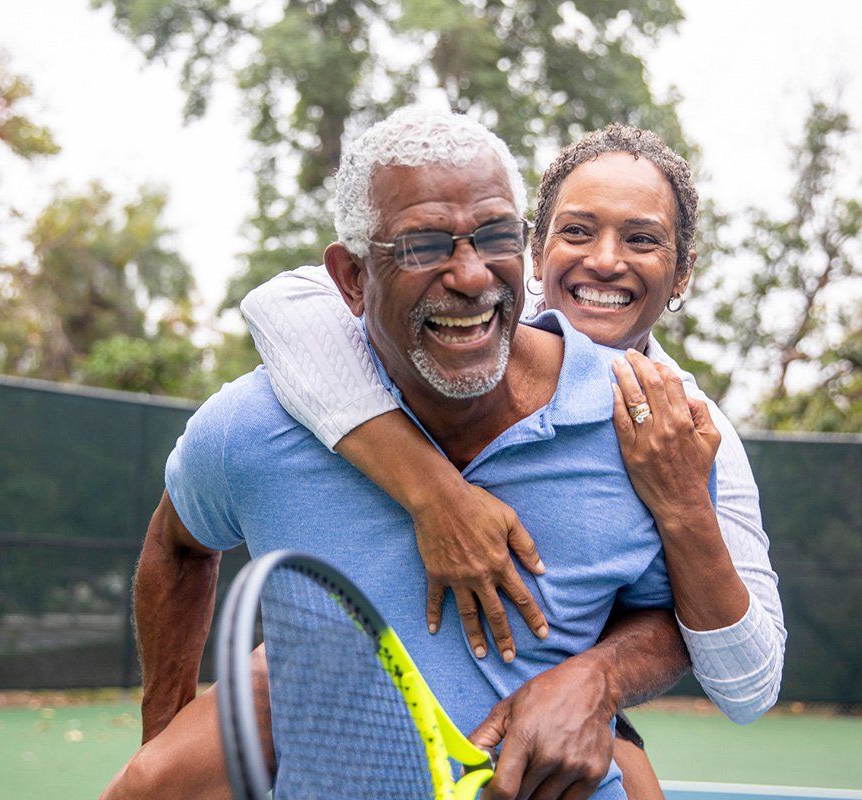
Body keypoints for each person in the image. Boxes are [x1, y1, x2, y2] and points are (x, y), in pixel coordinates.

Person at [104, 107, 701, 800]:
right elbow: (176, 544)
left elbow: (677, 616)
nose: (473, 276)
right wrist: (165, 732)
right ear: (352, 279)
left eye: (496, 236)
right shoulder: (251, 428)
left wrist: (596, 681)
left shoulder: (647, 427)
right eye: (423, 246)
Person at [238, 123, 787, 784]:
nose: (606, 260)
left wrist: (678, 506)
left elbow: (748, 685)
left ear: (683, 271)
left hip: (566, 711)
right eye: (577, 231)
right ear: (533, 248)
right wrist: (435, 494)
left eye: (641, 238)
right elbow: (279, 303)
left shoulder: (693, 431)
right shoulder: (457, 338)